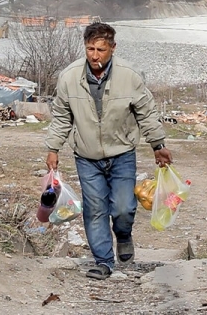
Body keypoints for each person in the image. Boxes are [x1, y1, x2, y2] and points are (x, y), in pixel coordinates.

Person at [45, 22, 172, 280]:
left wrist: (158, 144)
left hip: (122, 152)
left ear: (113, 48)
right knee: (95, 209)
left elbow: (146, 113)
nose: (94, 56)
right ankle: (103, 261)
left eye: (101, 50)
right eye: (90, 49)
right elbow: (61, 116)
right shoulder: (69, 77)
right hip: (87, 156)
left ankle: (123, 235)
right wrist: (53, 148)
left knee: (123, 208)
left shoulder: (129, 76)